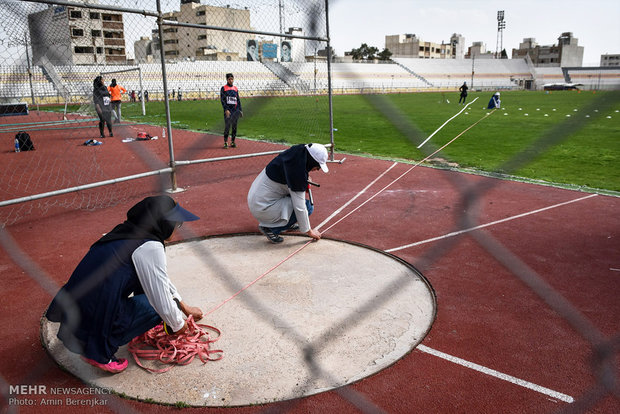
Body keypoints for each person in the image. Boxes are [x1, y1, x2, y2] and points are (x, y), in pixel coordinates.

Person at [45, 195, 203, 374]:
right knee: (158, 308)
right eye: (176, 223)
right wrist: (178, 326)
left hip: (77, 313)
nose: (177, 228)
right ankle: (99, 353)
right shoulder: (150, 247)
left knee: (153, 293)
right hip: (96, 316)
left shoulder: (127, 232)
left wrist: (184, 306)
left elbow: (158, 278)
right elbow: (162, 300)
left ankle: (100, 337)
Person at [248, 143, 329, 244]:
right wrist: (309, 231)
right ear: (312, 162)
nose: (317, 170)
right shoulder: (297, 174)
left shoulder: (298, 151)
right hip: (263, 207)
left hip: (258, 200)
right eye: (317, 166)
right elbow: (300, 207)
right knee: (308, 207)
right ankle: (270, 228)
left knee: (299, 203)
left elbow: (294, 173)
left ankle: (284, 223)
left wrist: (305, 179)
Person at [220, 73, 243, 148]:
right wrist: (226, 109)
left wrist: (240, 110)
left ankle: (233, 141)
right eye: (229, 79)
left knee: (234, 127)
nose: (231, 80)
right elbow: (223, 100)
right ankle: (225, 142)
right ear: (227, 79)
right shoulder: (224, 88)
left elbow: (238, 100)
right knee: (227, 126)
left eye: (232, 79)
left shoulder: (235, 88)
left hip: (235, 110)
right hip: (228, 110)